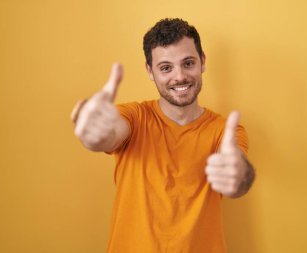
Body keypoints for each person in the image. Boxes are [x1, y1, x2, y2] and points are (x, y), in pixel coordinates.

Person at [71, 18, 255, 253]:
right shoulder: (135, 117)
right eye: (166, 68)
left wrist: (239, 174)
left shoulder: (225, 130)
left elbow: (239, 177)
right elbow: (111, 133)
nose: (179, 77)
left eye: (188, 63)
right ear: (150, 71)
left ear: (203, 62)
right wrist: (95, 134)